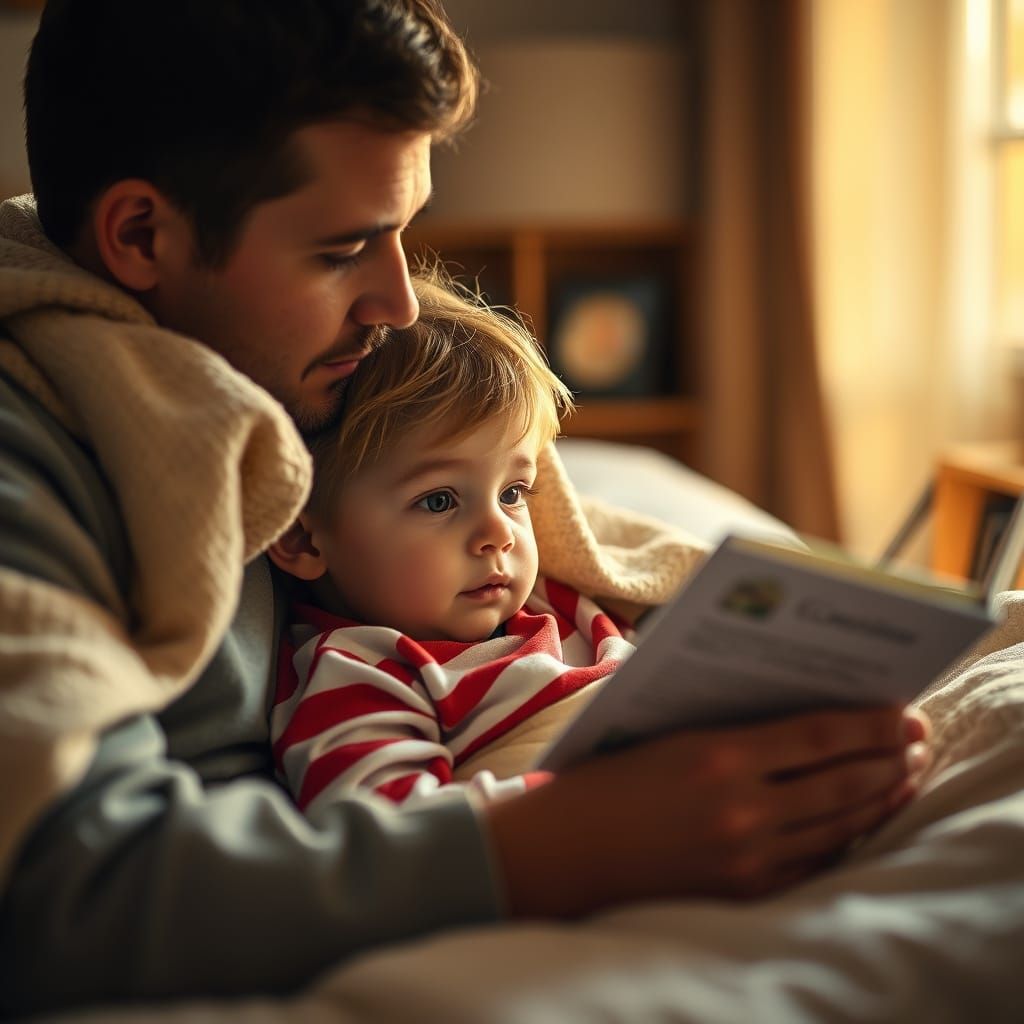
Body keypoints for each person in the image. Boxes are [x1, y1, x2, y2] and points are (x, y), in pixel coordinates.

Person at [0, 0, 930, 1016]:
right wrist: (583, 838)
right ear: (141, 235)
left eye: (404, 234)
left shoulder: (280, 368)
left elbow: (574, 533)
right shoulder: (34, 448)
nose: (396, 302)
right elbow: (62, 887)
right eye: (339, 249)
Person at [269, 270, 637, 814]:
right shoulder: (360, 673)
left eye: (514, 492)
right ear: (303, 538)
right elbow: (397, 835)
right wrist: (610, 798)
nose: (499, 534)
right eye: (439, 501)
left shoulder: (555, 601)